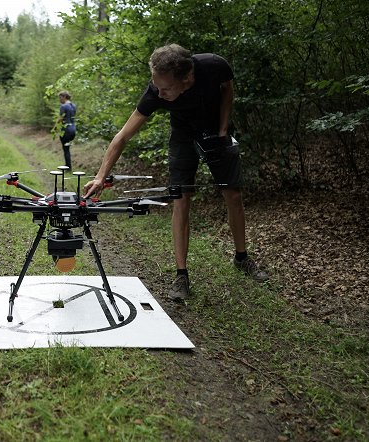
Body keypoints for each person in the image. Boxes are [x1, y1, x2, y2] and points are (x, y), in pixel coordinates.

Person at [83, 44, 268, 301]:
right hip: (182, 136)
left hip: (217, 131)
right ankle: (181, 275)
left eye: (166, 88)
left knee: (233, 194)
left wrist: (224, 128)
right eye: (156, 86)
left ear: (187, 78)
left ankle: (242, 257)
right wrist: (101, 176)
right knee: (180, 199)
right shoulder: (155, 93)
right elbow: (123, 136)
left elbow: (228, 90)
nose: (160, 93)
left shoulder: (215, 65)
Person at [56, 91, 77, 169]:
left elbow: (60, 118)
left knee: (66, 149)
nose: (59, 100)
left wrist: (55, 127)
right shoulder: (73, 106)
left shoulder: (63, 106)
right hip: (73, 129)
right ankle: (68, 165)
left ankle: (68, 166)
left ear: (64, 97)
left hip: (66, 130)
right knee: (67, 148)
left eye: (60, 97)